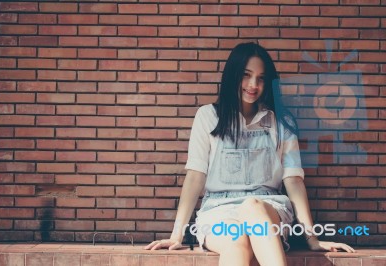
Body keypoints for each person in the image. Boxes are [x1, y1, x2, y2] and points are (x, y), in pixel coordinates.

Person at [144, 42, 355, 266]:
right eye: (246, 75)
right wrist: (177, 235)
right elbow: (195, 177)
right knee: (237, 243)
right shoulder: (207, 116)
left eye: (261, 78)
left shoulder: (282, 122)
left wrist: (312, 239)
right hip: (218, 211)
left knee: (252, 206)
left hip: (269, 207)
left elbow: (293, 180)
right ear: (233, 75)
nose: (253, 85)